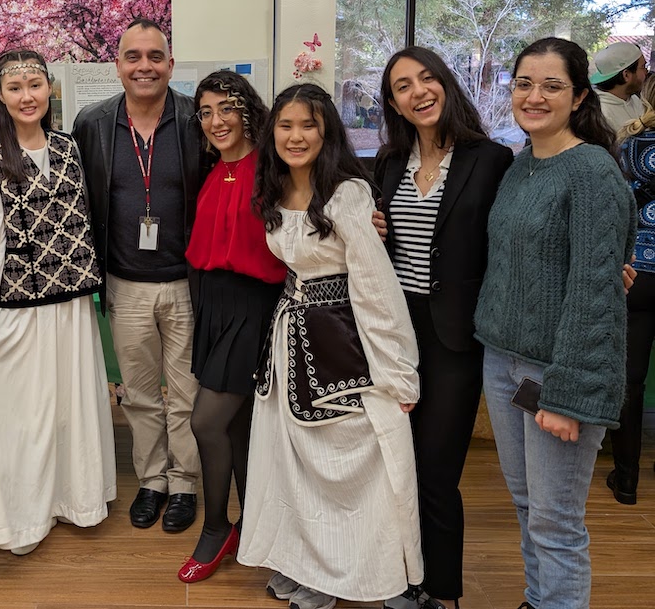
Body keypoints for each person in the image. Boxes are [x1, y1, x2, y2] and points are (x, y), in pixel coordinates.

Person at [238, 83, 424, 609]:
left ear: (328, 132)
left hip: (342, 340)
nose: (296, 136)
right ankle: (307, 563)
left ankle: (354, 573)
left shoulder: (347, 193)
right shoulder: (274, 189)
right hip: (289, 339)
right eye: (286, 125)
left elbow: (376, 288)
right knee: (296, 466)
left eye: (309, 125)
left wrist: (397, 371)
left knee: (345, 465)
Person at [475, 37, 635, 609]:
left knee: (557, 522)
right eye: (524, 83)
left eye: (551, 86)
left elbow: (595, 291)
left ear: (579, 95)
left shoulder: (590, 170)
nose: (534, 96)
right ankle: (538, 599)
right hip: (506, 362)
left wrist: (567, 394)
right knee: (527, 507)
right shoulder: (521, 165)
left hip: (556, 371)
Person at [0, 49, 116, 555]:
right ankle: (23, 519)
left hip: (70, 302)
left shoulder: (71, 148)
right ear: (0, 97)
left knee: (72, 406)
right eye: (14, 88)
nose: (26, 96)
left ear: (50, 89)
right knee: (27, 414)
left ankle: (77, 500)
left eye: (35, 85)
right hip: (19, 302)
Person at [375, 47, 513, 609]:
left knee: (435, 468)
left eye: (427, 78)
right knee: (393, 464)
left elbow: (516, 240)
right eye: (403, 86)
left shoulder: (492, 159)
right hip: (391, 334)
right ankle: (401, 578)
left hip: (454, 337)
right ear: (394, 104)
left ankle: (444, 591)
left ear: (446, 84)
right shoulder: (386, 163)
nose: (418, 92)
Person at [72, 18, 203, 532]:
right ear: (118, 65)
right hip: (124, 282)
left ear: (170, 64)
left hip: (187, 283)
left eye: (155, 56)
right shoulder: (93, 123)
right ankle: (152, 481)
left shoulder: (197, 120)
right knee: (141, 394)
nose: (144, 66)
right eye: (133, 57)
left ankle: (185, 484)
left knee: (187, 393)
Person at [176, 70, 285, 583]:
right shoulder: (212, 169)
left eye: (227, 108)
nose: (217, 121)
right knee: (236, 426)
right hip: (210, 305)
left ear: (248, 111)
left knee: (207, 422)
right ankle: (252, 524)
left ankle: (217, 528)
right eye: (206, 112)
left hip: (254, 306)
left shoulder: (274, 168)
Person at [609, 72, 655, 505]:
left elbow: (617, 207)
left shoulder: (629, 143)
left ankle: (626, 480)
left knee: (630, 379)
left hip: (638, 271)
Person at [591, 42, 648, 132]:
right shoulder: (600, 113)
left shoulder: (633, 99)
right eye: (643, 67)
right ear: (626, 75)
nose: (646, 72)